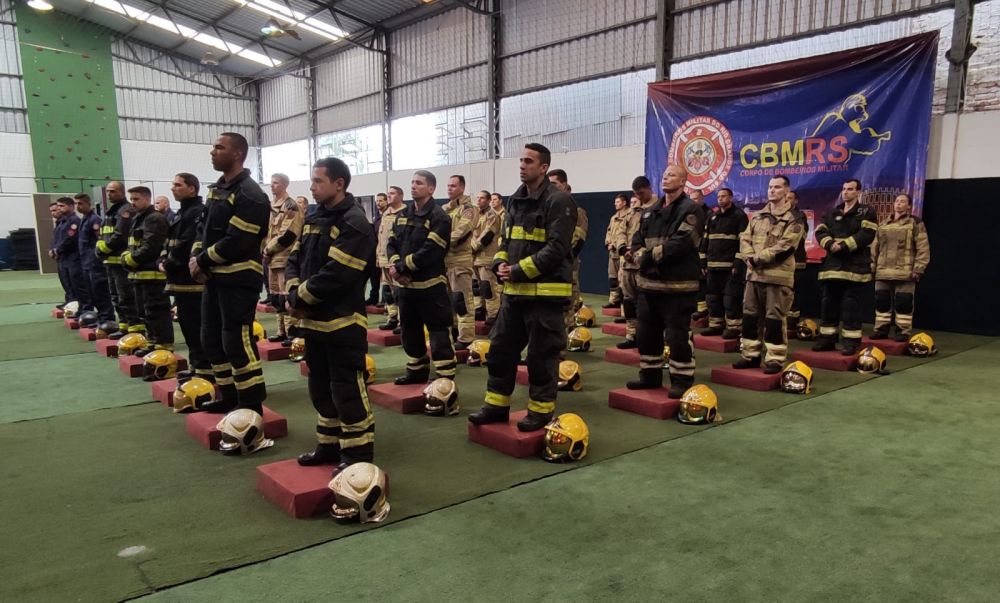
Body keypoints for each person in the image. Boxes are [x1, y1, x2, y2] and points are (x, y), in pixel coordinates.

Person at [468, 143, 576, 432]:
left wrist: (517, 271)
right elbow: (505, 242)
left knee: (541, 357)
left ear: (543, 167)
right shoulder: (515, 199)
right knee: (501, 351)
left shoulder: (559, 201)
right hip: (514, 297)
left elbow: (557, 249)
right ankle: (496, 406)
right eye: (520, 160)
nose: (522, 165)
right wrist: (499, 264)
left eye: (529, 161)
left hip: (546, 297)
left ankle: (540, 412)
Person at [286, 157, 376, 475]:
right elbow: (295, 256)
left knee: (347, 388)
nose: (311, 187)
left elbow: (339, 273)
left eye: (318, 181)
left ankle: (358, 451)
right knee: (320, 388)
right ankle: (329, 445)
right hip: (312, 321)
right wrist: (292, 289)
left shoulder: (354, 222)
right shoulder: (313, 216)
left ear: (339, 184)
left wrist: (300, 297)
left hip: (342, 322)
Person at [190, 132, 270, 417]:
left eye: (219, 147)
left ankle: (251, 402)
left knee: (237, 341)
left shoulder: (251, 194)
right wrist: (196, 257)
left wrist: (202, 260)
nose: (212, 151)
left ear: (237, 154)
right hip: (215, 277)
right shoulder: (217, 189)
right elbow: (205, 228)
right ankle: (228, 395)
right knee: (211, 338)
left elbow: (238, 241)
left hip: (238, 278)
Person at [626, 165, 703, 398]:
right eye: (665, 174)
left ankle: (681, 379)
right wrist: (640, 254)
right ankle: (649, 376)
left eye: (672, 175)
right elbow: (637, 239)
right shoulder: (650, 211)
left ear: (683, 181)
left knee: (677, 336)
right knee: (646, 333)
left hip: (678, 287)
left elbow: (682, 243)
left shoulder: (691, 209)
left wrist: (647, 257)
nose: (666, 177)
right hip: (648, 287)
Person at [386, 170, 457, 385]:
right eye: (412, 182)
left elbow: (432, 251)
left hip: (431, 287)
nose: (413, 186)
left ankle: (444, 377)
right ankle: (416, 371)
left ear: (431, 189)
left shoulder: (439, 217)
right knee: (409, 331)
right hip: (406, 288)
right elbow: (391, 244)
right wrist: (397, 269)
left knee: (438, 332)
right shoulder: (402, 215)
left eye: (419, 183)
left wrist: (402, 268)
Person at [732, 176, 804, 373]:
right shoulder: (757, 216)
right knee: (750, 317)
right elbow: (745, 238)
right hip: (753, 276)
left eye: (777, 187)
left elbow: (786, 247)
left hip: (777, 277)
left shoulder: (794, 218)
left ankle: (775, 358)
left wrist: (757, 258)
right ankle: (750, 355)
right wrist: (748, 257)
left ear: (786, 191)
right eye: (770, 187)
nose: (772, 190)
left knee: (774, 319)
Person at [813, 178, 878, 355]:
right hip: (832, 267)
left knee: (851, 305)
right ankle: (827, 339)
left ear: (858, 192)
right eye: (844, 189)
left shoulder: (866, 212)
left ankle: (851, 342)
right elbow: (820, 231)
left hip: (854, 267)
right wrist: (829, 244)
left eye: (850, 189)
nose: (846, 192)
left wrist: (843, 245)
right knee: (828, 303)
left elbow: (867, 234)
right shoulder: (833, 212)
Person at [160, 173, 210, 381]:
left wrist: (169, 263)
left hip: (192, 282)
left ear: (192, 189)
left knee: (198, 327)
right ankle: (196, 365)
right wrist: (161, 260)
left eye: (178, 185)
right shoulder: (182, 213)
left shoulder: (197, 212)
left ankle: (205, 369)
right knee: (188, 328)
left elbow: (187, 243)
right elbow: (168, 242)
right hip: (178, 280)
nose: (173, 188)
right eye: (173, 185)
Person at [871, 193, 930, 341]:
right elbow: (874, 248)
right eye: (897, 201)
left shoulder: (915, 223)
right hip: (882, 271)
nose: (898, 204)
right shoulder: (883, 224)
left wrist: (918, 268)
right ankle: (881, 330)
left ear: (909, 206)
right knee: (881, 301)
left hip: (906, 271)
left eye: (903, 201)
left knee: (904, 302)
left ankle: (902, 332)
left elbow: (923, 247)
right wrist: (872, 266)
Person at [122, 186, 172, 355]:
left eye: (136, 199)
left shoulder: (154, 218)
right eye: (131, 199)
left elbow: (152, 246)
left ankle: (162, 345)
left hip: (153, 275)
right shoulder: (139, 218)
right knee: (146, 312)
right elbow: (134, 243)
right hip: (140, 274)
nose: (132, 203)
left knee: (156, 310)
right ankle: (152, 342)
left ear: (146, 199)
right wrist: (128, 255)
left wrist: (132, 258)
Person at [614, 177, 658, 348]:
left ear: (648, 188)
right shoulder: (631, 212)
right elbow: (620, 232)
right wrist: (624, 249)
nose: (639, 196)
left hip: (645, 265)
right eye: (636, 194)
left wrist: (638, 253)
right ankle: (632, 336)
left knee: (645, 303)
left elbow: (655, 238)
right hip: (627, 265)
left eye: (641, 192)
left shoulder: (658, 209)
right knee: (628, 301)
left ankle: (646, 337)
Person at [700, 187, 748, 339]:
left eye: (724, 196)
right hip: (712, 266)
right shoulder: (712, 217)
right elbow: (705, 240)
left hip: (730, 268)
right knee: (713, 298)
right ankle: (716, 325)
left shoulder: (739, 216)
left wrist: (738, 264)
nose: (720, 199)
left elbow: (744, 242)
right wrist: (702, 263)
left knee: (731, 298)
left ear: (731, 198)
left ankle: (734, 327)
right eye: (719, 196)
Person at [263, 173, 305, 345]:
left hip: (284, 257)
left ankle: (293, 332)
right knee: (275, 298)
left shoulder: (290, 206)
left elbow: (289, 234)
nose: (272, 186)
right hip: (271, 259)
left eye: (276, 183)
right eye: (271, 183)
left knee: (287, 296)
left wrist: (268, 249)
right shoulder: (271, 206)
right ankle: (281, 330)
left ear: (285, 185)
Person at [95, 181, 139, 338]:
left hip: (120, 262)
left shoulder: (125, 210)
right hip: (110, 262)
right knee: (115, 297)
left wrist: (104, 248)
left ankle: (135, 329)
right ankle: (124, 327)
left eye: (113, 191)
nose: (109, 194)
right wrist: (100, 245)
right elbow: (103, 233)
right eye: (107, 191)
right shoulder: (110, 212)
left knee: (125, 296)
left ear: (122, 192)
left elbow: (120, 235)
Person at [547, 169, 588, 330]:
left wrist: (558, 255)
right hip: (548, 266)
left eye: (554, 184)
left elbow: (578, 242)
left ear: (564, 185)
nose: (551, 188)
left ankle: (565, 339)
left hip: (566, 264)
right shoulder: (547, 209)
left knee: (567, 304)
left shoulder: (577, 212)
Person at [443, 175, 477, 350]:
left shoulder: (469, 209)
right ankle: (454, 332)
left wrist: (439, 242)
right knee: (448, 301)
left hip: (460, 261)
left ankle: (466, 337)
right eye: (448, 186)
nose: (450, 188)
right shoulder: (444, 209)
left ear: (462, 188)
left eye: (453, 186)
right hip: (444, 262)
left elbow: (462, 231)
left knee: (462, 300)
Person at [75, 193, 114, 320]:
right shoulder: (84, 219)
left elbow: (100, 240)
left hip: (95, 263)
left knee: (100, 292)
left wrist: (97, 259)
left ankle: (107, 318)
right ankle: (100, 317)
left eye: (80, 203)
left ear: (88, 204)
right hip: (86, 262)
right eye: (76, 203)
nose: (77, 206)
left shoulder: (94, 220)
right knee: (91, 292)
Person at [376, 187, 406, 333]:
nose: (389, 196)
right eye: (388, 194)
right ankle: (392, 317)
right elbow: (381, 238)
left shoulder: (404, 213)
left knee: (399, 292)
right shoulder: (385, 214)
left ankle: (402, 321)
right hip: (383, 259)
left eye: (392, 193)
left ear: (401, 196)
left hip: (395, 259)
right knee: (387, 290)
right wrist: (378, 256)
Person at [471, 189, 502, 327]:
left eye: (482, 198)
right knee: (476, 288)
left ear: (489, 200)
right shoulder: (475, 215)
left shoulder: (493, 216)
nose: (479, 200)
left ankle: (493, 313)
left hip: (486, 258)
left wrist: (471, 247)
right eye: (478, 198)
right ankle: (479, 309)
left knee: (488, 287)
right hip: (473, 259)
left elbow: (487, 237)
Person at [50, 197, 87, 308]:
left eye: (62, 206)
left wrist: (57, 250)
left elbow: (70, 239)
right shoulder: (62, 222)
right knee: (66, 281)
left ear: (71, 206)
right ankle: (71, 303)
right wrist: (53, 249)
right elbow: (56, 239)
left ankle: (82, 306)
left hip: (73, 257)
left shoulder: (74, 221)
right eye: (58, 206)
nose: (59, 209)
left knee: (76, 283)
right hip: (63, 257)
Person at [786, 190, 809, 330]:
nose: (787, 201)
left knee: (793, 291)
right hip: (780, 262)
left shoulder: (800, 216)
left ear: (796, 201)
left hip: (796, 260)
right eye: (785, 198)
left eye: (790, 198)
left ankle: (792, 322)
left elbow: (798, 238)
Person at [688, 188, 711, 322]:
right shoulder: (689, 214)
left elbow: (706, 237)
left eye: (696, 198)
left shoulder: (708, 214)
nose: (693, 201)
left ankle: (703, 309)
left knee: (702, 281)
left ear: (702, 198)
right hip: (691, 252)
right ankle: (697, 307)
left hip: (703, 252)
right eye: (691, 199)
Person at [603, 193, 629, 309]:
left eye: (618, 202)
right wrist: (608, 243)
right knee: (613, 277)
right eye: (615, 202)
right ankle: (614, 300)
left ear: (624, 203)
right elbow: (609, 232)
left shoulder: (629, 216)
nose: (615, 204)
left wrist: (618, 245)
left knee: (623, 279)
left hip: (623, 253)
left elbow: (627, 234)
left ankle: (624, 305)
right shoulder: (613, 218)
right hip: (612, 252)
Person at [367, 193, 387, 306]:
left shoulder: (389, 216)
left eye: (381, 201)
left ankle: (385, 300)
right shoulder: (376, 217)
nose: (378, 203)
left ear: (386, 202)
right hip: (376, 251)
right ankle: (373, 298)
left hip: (386, 252)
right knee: (374, 275)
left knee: (386, 278)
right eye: (377, 201)